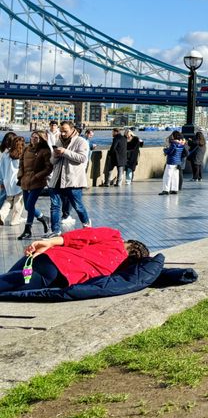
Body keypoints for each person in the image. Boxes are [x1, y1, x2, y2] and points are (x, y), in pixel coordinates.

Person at [0, 228, 148, 293]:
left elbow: (85, 235)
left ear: (129, 243)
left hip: (51, 256)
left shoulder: (114, 237)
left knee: (10, 276)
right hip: (57, 276)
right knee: (8, 287)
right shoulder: (116, 272)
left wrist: (51, 242)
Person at [46, 121, 91, 236]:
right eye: (61, 131)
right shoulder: (59, 141)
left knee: (78, 206)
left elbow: (82, 158)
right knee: (54, 206)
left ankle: (86, 225)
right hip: (56, 179)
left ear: (72, 129)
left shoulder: (81, 141)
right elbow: (52, 161)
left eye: (65, 131)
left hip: (73, 180)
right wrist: (55, 156)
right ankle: (55, 231)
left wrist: (65, 152)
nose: (63, 133)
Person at [16, 131, 51, 240]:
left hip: (37, 182)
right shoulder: (26, 149)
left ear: (41, 139)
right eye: (32, 137)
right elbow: (21, 163)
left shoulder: (45, 151)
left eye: (36, 138)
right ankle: (43, 218)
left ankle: (27, 230)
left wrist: (37, 176)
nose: (33, 139)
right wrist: (20, 175)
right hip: (25, 181)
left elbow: (49, 168)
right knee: (27, 206)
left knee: (30, 205)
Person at [0, 133, 25, 227]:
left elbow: (1, 169)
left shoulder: (6, 154)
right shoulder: (22, 155)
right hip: (18, 181)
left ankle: (1, 215)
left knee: (8, 199)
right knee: (19, 201)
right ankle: (15, 220)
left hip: (7, 181)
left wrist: (2, 181)